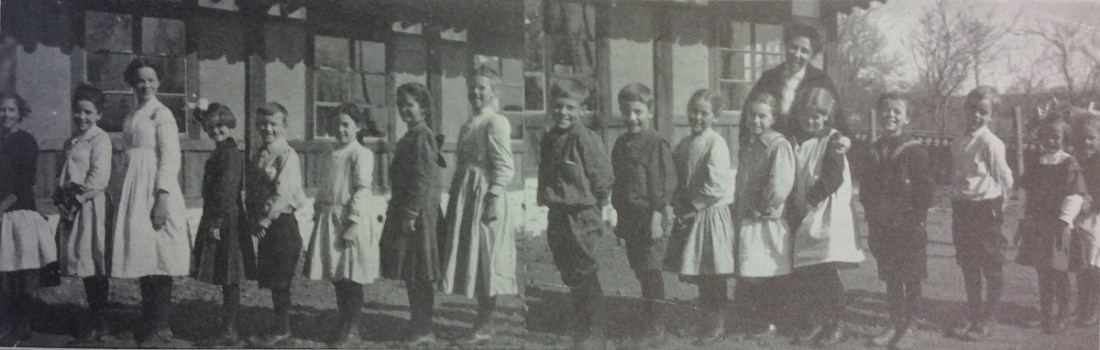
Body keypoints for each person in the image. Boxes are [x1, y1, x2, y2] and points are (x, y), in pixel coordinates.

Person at [109, 58, 189, 345]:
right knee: (144, 254)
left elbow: (171, 158)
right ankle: (149, 319)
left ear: (159, 83)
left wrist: (162, 198)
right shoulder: (132, 115)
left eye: (151, 80)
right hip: (134, 190)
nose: (146, 85)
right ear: (132, 83)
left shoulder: (162, 114)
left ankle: (162, 325)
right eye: (140, 80)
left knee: (160, 256)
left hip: (155, 190)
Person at [440, 67, 517, 344]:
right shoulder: (469, 123)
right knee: (472, 254)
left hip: (485, 195)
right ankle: (480, 321)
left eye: (482, 87)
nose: (476, 92)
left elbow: (505, 168)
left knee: (487, 256)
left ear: (494, 91)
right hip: (466, 194)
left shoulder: (496, 122)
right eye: (472, 87)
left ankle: (484, 323)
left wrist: (493, 198)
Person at [537, 78, 615, 348]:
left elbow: (602, 175)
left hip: (581, 216)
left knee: (584, 270)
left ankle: (595, 328)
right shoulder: (549, 138)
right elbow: (545, 172)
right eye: (558, 107)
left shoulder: (583, 137)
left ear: (582, 110)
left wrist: (602, 206)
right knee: (568, 269)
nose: (563, 113)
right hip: (557, 214)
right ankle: (581, 318)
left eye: (570, 108)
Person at [787, 87, 865, 346]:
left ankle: (838, 323)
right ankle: (816, 319)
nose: (812, 121)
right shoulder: (799, 142)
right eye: (808, 115)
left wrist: (810, 199)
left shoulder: (834, 140)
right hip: (808, 213)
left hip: (828, 213)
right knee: (809, 270)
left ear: (828, 117)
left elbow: (834, 177)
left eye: (818, 116)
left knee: (826, 270)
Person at [303, 103, 383, 346]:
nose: (340, 129)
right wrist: (318, 210)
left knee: (351, 275)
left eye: (346, 124)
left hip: (349, 219)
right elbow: (326, 186)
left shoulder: (361, 154)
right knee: (338, 275)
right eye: (336, 124)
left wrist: (354, 223)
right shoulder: (331, 153)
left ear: (358, 127)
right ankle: (344, 319)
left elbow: (362, 189)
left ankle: (353, 327)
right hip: (331, 218)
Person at [860, 93, 934, 349]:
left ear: (907, 117)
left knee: (911, 277)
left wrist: (915, 219)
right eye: (885, 110)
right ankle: (894, 322)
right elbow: (866, 190)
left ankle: (910, 326)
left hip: (908, 227)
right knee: (891, 277)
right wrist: (872, 218)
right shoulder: (874, 149)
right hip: (882, 227)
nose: (890, 115)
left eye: (897, 111)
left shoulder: (915, 151)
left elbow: (925, 192)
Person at [663, 89, 736, 344]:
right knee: (701, 274)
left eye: (704, 113)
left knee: (713, 273)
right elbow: (677, 178)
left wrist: (692, 207)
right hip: (692, 214)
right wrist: (676, 201)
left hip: (710, 215)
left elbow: (717, 186)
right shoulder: (684, 143)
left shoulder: (716, 142)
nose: (697, 117)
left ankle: (718, 323)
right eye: (693, 111)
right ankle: (704, 320)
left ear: (715, 117)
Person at [381, 83, 445, 345]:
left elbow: (422, 178)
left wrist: (410, 214)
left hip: (418, 213)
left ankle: (424, 329)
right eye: (400, 104)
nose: (403, 109)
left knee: (421, 272)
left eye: (409, 104)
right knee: (411, 270)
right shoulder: (409, 135)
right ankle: (417, 324)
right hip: (406, 209)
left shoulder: (423, 136)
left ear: (424, 108)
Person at [610, 83, 675, 339]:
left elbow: (664, 182)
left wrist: (658, 217)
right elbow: (619, 181)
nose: (632, 118)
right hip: (630, 217)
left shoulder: (656, 143)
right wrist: (617, 217)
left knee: (651, 270)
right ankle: (649, 313)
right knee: (639, 268)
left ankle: (657, 324)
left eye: (638, 111)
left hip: (651, 217)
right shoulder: (622, 143)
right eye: (626, 112)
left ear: (649, 110)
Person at [948, 86, 1014, 341]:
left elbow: (1005, 178)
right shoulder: (959, 138)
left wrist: (1000, 206)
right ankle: (974, 312)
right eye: (972, 109)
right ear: (965, 109)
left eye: (983, 112)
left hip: (985, 209)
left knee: (991, 264)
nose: (976, 115)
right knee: (968, 264)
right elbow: (958, 173)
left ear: (992, 116)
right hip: (963, 208)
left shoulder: (991, 142)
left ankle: (989, 316)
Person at [732, 91, 795, 339]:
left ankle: (772, 321)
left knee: (769, 271)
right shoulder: (748, 144)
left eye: (762, 116)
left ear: (772, 119)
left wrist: (762, 207)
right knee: (751, 272)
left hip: (767, 219)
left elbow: (780, 182)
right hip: (748, 218)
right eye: (752, 115)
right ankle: (754, 318)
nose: (756, 121)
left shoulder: (778, 144)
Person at [1014, 118, 1086, 334]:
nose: (1051, 141)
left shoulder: (1069, 164)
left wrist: (1065, 221)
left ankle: (1062, 314)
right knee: (1042, 270)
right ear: (1041, 137)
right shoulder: (1037, 163)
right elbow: (1024, 194)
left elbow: (1075, 195)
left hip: (1057, 226)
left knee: (1059, 271)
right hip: (1037, 224)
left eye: (1056, 137)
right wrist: (1022, 219)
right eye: (1047, 136)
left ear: (1064, 139)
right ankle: (1045, 312)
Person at [246, 102, 309, 346]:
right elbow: (253, 188)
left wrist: (265, 219)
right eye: (263, 124)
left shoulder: (287, 155)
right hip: (265, 224)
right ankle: (278, 325)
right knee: (273, 279)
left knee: (281, 279)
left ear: (284, 126)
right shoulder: (259, 154)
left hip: (281, 224)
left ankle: (283, 329)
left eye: (273, 124)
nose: (267, 128)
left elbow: (283, 193)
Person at [56, 84, 114, 344]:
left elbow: (99, 177)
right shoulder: (72, 140)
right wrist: (62, 197)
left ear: (99, 114)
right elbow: (65, 172)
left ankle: (99, 321)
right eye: (78, 112)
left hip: (90, 206)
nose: (82, 117)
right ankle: (95, 319)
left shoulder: (100, 138)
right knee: (82, 261)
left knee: (94, 263)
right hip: (73, 205)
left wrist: (79, 199)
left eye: (88, 112)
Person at [189, 103, 250, 346]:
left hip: (227, 220)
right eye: (211, 127)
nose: (216, 131)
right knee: (225, 275)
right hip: (217, 216)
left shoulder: (231, 153)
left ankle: (231, 330)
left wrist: (216, 223)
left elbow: (226, 191)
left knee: (230, 275)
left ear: (230, 125)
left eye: (221, 126)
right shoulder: (220, 151)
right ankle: (228, 326)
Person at [0, 93, 55, 346]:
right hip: (1, 214)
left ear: (20, 113)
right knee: (3, 275)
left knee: (20, 271)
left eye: (11, 110)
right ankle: (7, 322)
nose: (6, 115)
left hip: (18, 213)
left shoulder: (26, 141)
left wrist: (3, 207)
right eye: (1, 110)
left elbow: (26, 182)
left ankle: (23, 324)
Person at [746, 20, 845, 138]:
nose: (797, 55)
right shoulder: (768, 78)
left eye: (804, 51)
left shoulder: (821, 80)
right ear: (785, 46)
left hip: (808, 150)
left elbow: (838, 120)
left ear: (811, 55)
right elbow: (747, 115)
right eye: (793, 47)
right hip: (772, 148)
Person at [1071, 110, 1100, 327]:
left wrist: (1092, 201)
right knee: (1081, 262)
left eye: (1091, 137)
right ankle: (1082, 305)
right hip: (1079, 217)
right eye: (1081, 138)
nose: (1086, 143)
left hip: (1096, 218)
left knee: (1092, 264)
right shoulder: (1073, 161)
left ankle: (1091, 308)